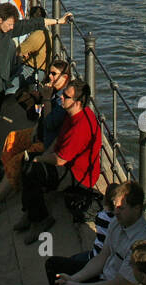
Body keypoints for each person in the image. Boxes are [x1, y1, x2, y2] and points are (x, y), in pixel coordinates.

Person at [0, 3, 73, 181]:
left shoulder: (9, 30)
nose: (13, 28)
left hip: (0, 86)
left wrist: (59, 20)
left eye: (13, 25)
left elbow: (35, 23)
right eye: (10, 24)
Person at [16, 76, 101, 243]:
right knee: (26, 162)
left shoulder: (82, 125)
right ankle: (30, 212)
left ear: (77, 102)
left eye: (66, 96)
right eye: (63, 94)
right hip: (67, 163)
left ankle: (40, 220)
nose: (61, 97)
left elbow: (61, 160)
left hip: (78, 176)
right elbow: (58, 141)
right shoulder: (71, 114)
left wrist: (39, 159)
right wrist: (39, 157)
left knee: (34, 171)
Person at [56, 181, 146, 285]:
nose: (116, 212)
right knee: (56, 267)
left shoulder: (142, 242)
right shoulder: (116, 222)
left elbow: (120, 284)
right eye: (115, 206)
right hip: (104, 276)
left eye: (121, 208)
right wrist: (73, 279)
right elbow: (102, 257)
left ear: (136, 208)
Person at [44, 183, 118, 285]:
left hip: (95, 259)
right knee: (72, 261)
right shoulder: (116, 222)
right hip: (99, 259)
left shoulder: (103, 217)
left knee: (56, 264)